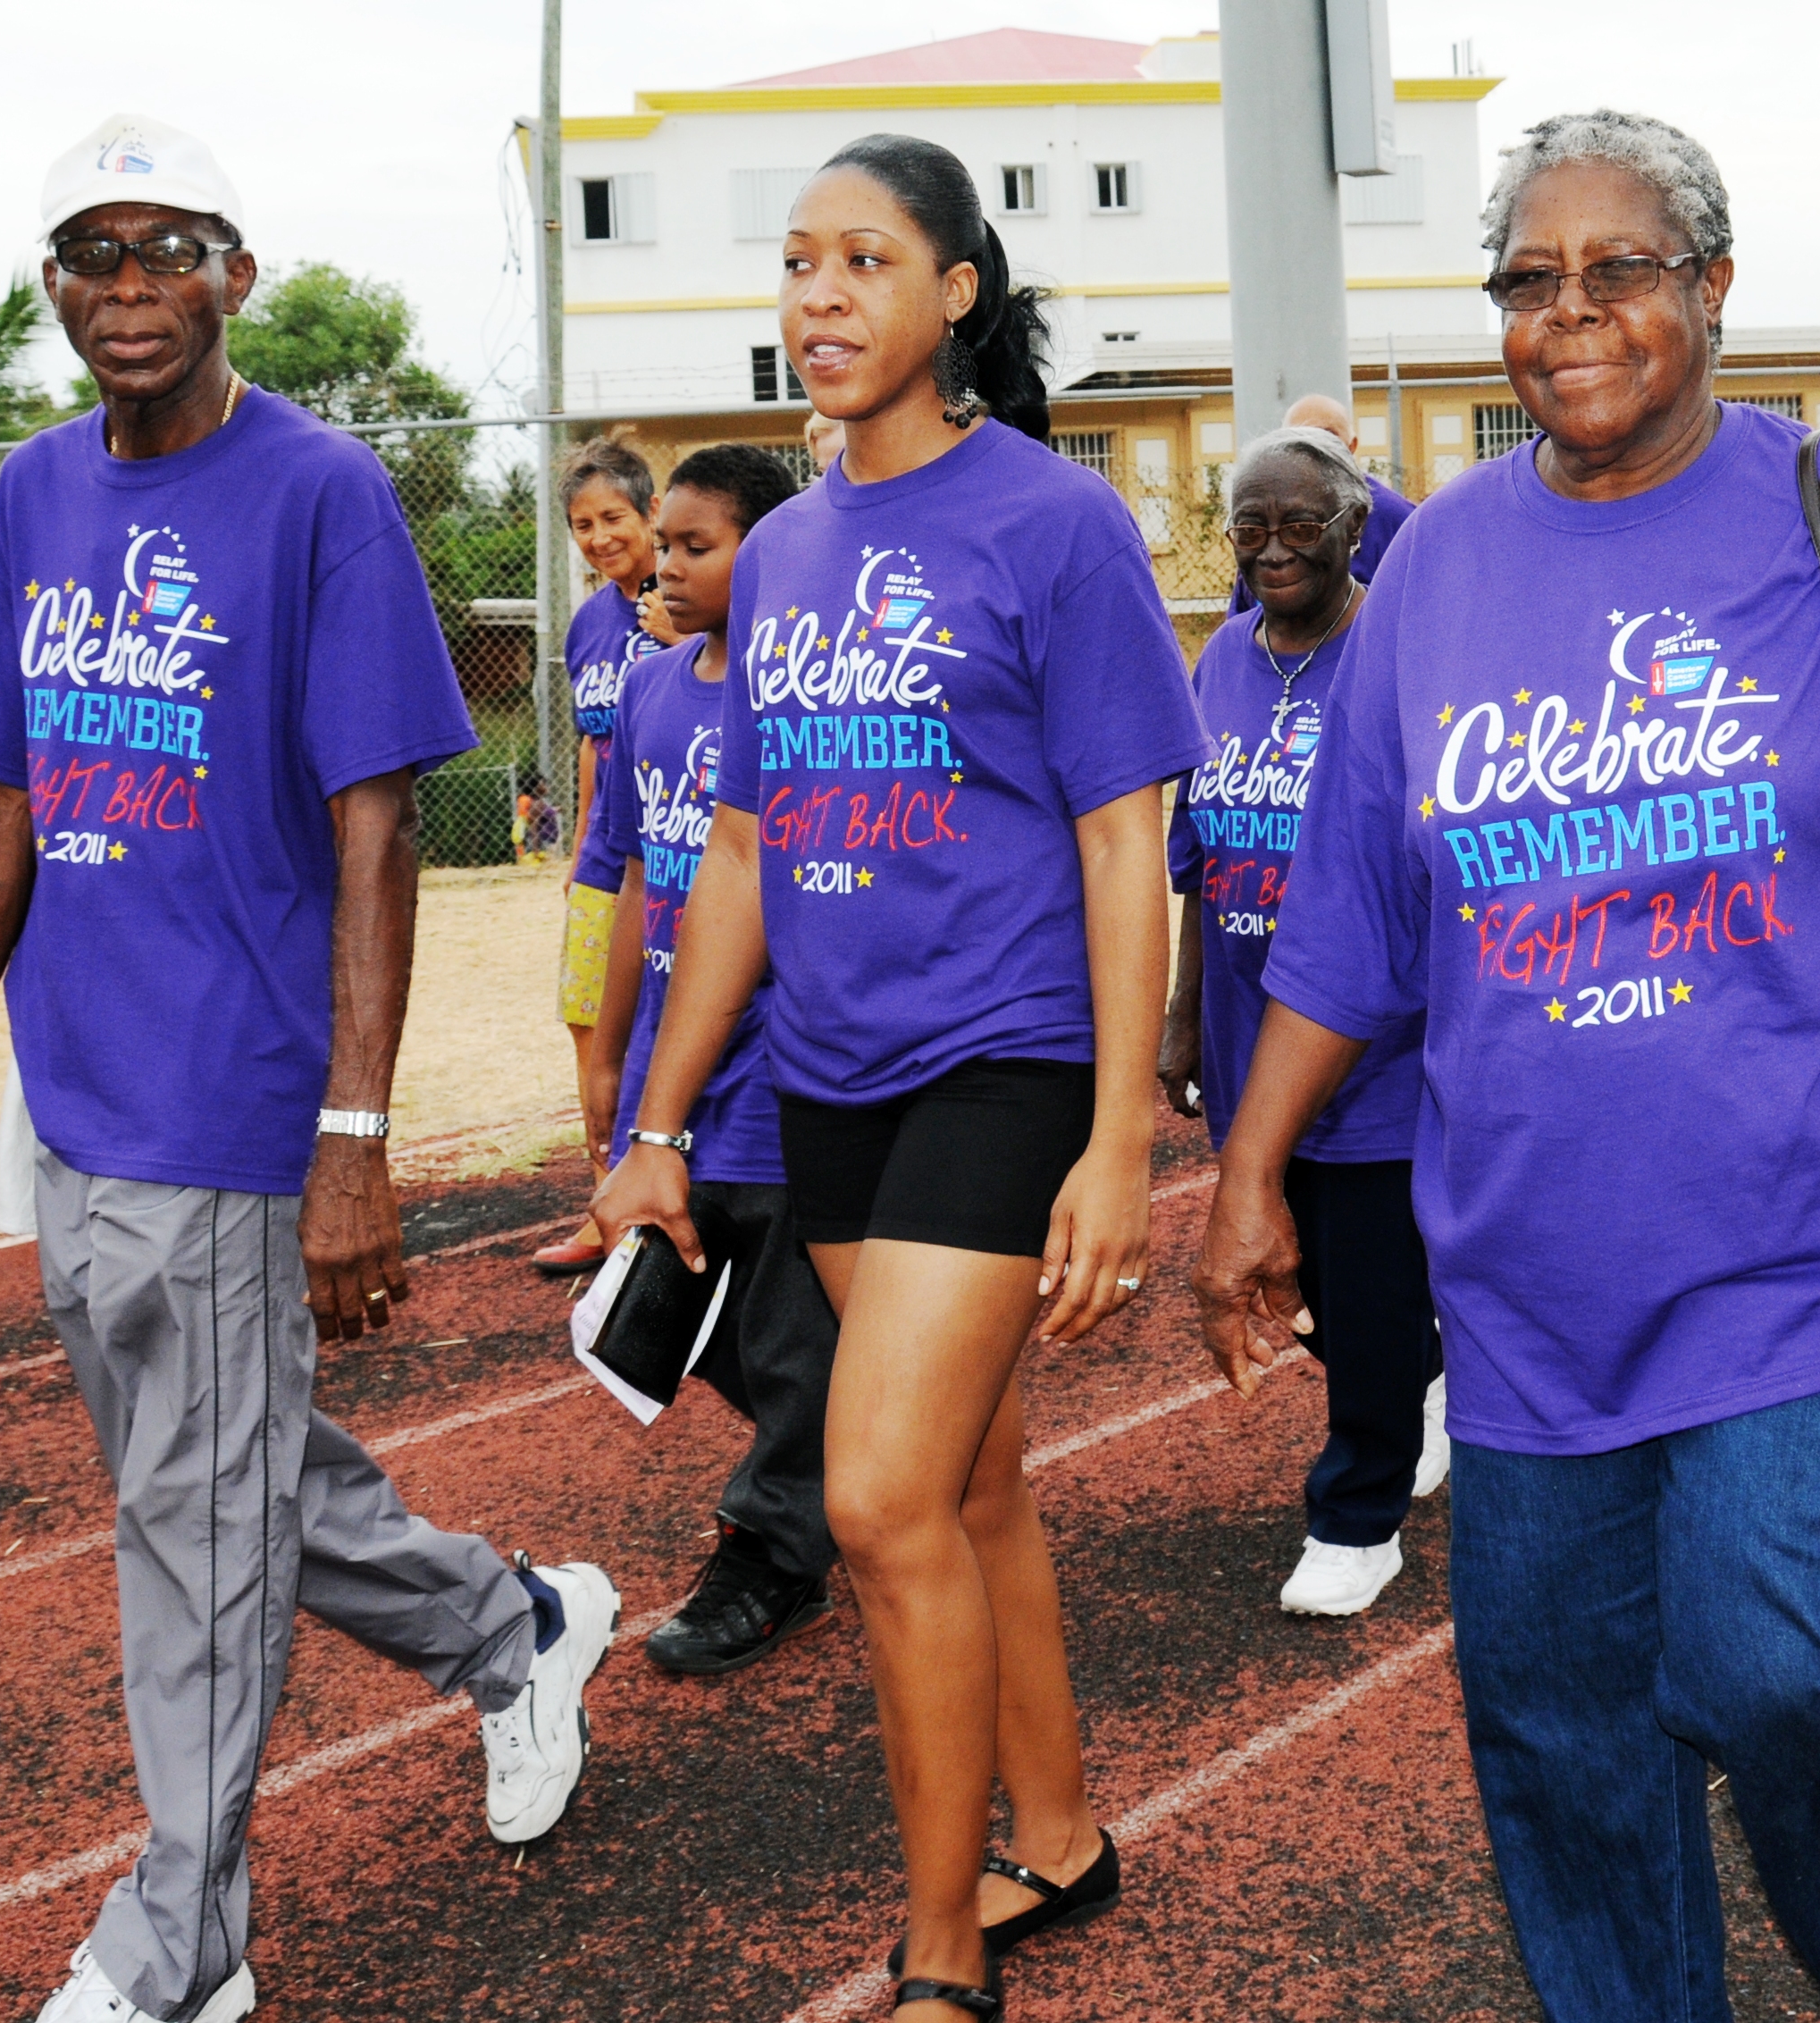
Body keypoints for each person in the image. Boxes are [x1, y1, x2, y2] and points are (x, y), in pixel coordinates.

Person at [1194, 108, 1820, 2023]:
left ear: (1711, 287)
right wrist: (1242, 1177)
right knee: (1562, 1748)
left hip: (1815, 1242)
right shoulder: (1432, 570)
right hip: (1530, 1280)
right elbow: (1355, 923)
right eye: (1529, 282)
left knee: (1781, 1669)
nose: (1573, 314)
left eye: (1620, 268)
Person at [0, 113, 616, 2023]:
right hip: (77, 1096)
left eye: (167, 249)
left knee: (193, 1532)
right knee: (222, 1488)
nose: (128, 288)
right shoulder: (39, 494)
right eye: (92, 254)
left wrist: (353, 1137)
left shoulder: (319, 496)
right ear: (58, 286)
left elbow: (378, 824)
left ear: (235, 271)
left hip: (237, 1099)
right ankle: (515, 1627)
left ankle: (179, 1938)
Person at [589, 133, 1205, 2018]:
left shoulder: (1054, 523)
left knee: (872, 1502)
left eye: (867, 258)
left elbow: (1126, 837)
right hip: (834, 1079)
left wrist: (1116, 1135)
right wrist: (656, 1122)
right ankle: (1065, 1832)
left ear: (956, 293)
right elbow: (747, 855)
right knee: (973, 1479)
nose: (821, 293)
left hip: (1002, 1063)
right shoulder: (778, 551)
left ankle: (943, 1953)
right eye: (796, 261)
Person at [1161, 425, 1449, 1616]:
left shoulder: (1402, 649)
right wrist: (1182, 1018)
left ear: (1350, 526)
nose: (1274, 547)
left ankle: (1356, 1510)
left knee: (1368, 1276)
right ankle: (1423, 1380)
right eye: (1252, 526)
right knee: (1319, 1277)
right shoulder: (1222, 658)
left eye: (1300, 523)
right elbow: (1197, 853)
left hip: (1378, 1044)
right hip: (1246, 1026)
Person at [579, 443, 843, 1670]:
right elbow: (638, 870)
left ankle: (774, 1552)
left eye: (698, 546)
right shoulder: (649, 689)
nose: (668, 569)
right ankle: (866, 1452)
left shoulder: (809, 693)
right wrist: (617, 1056)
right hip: (680, 1076)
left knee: (796, 1334)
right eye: (665, 544)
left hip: (785, 1072)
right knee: (685, 1325)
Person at [541, 437, 675, 1278]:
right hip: (608, 860)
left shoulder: (695, 594)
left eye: (613, 518)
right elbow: (597, 744)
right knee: (593, 1029)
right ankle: (607, 1209)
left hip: (683, 859)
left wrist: (676, 629)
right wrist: (585, 841)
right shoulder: (589, 623)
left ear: (651, 512)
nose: (597, 538)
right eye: (581, 525)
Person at [1221, 391, 1417, 615]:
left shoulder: (1397, 518)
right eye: (1298, 441)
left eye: (1303, 529)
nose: (1274, 554)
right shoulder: (1261, 516)